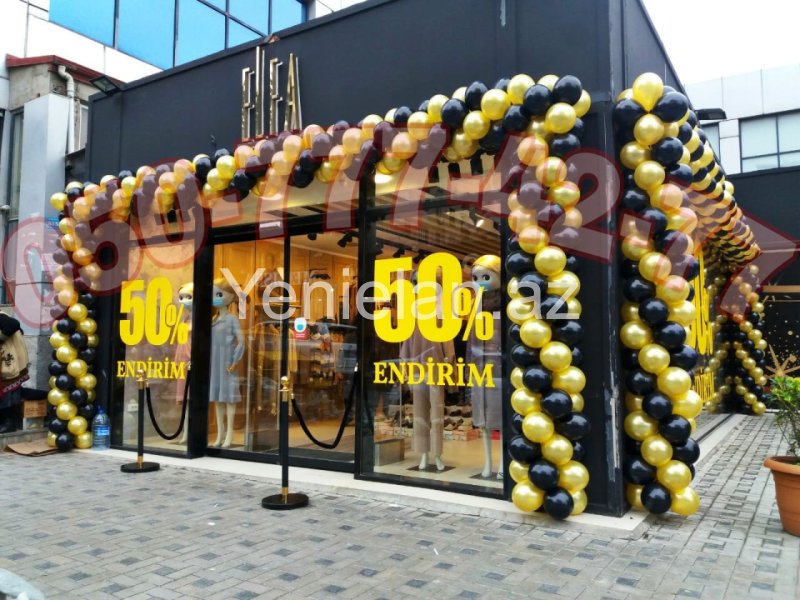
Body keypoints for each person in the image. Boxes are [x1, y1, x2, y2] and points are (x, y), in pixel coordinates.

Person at [466, 255, 503, 478]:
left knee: (503, 419)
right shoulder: (476, 304)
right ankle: (488, 462)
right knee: (484, 422)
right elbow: (471, 339)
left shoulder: (509, 302)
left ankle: (503, 463)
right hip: (480, 370)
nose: (480, 282)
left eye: (486, 277)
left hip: (500, 370)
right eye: (476, 278)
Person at [209, 278, 245, 448]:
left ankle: (229, 434)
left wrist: (235, 361)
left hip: (227, 363)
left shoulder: (232, 319)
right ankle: (219, 434)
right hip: (215, 363)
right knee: (218, 399)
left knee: (229, 398)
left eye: (219, 294)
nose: (215, 298)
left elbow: (242, 341)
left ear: (230, 297)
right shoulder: (213, 319)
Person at [0, 313, 29, 433]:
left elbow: (14, 324)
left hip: (10, 365)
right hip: (8, 363)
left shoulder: (1, 317)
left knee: (7, 394)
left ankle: (9, 423)